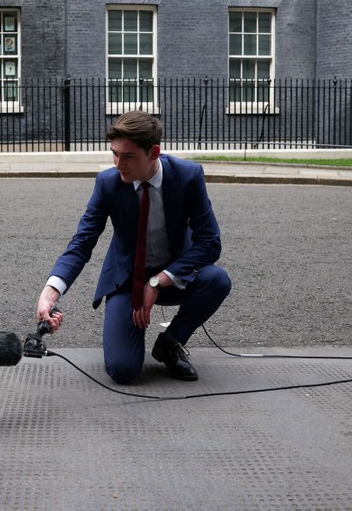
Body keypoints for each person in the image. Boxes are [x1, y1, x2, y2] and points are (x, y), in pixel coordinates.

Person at [36, 111, 231, 384]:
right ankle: (126, 328)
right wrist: (51, 291)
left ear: (154, 152)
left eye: (128, 156)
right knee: (123, 370)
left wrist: (158, 281)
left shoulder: (188, 176)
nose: (118, 163)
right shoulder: (108, 183)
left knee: (217, 280)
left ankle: (170, 342)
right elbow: (82, 241)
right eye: (114, 154)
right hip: (127, 281)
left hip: (175, 276)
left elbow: (210, 243)